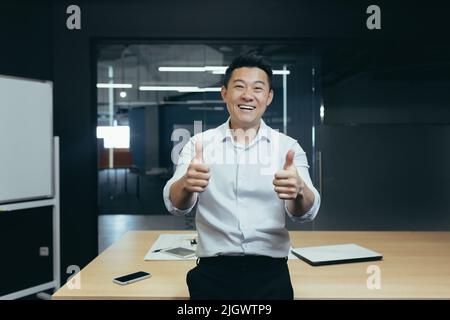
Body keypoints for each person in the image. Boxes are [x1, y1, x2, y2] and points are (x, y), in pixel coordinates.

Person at [163, 52, 321, 300]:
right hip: (211, 276)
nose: (248, 95)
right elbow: (175, 205)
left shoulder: (288, 147)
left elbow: (306, 213)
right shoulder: (198, 144)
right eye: (239, 87)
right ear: (224, 93)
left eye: (258, 88)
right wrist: (186, 184)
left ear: (268, 97)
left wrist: (300, 191)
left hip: (272, 275)